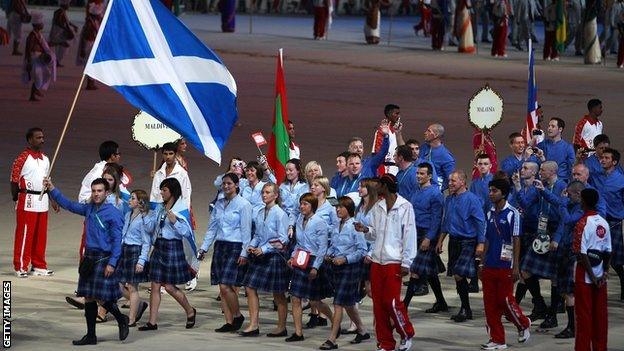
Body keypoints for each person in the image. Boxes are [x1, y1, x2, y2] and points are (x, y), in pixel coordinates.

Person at [45, 177, 129, 345]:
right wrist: (52, 188)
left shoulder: (114, 213)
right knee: (89, 297)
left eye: (99, 191)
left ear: (106, 193)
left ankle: (121, 318)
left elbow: (117, 240)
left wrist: (112, 263)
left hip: (104, 258)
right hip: (89, 257)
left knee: (100, 297)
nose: (96, 194)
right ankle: (91, 335)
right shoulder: (89, 208)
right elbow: (68, 204)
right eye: (94, 191)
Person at [355, 174, 416, 351]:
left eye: (379, 184)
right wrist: (365, 229)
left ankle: (406, 333)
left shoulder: (405, 207)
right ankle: (385, 343)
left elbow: (409, 236)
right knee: (378, 305)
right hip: (377, 261)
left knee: (391, 302)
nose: (376, 187)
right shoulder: (378, 207)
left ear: (385, 186)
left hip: (394, 262)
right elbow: (374, 233)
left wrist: (407, 262)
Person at [479, 178, 531, 350]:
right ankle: (497, 340)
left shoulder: (513, 213)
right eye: (490, 190)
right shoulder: (489, 212)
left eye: (494, 191)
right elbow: (486, 238)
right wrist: (482, 262)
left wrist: (515, 266)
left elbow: (516, 240)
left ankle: (523, 324)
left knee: (506, 301)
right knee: (490, 304)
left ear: (503, 193)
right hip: (489, 265)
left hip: (505, 265)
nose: (490, 194)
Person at [138, 178, 197, 331]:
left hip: (173, 248)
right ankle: (152, 322)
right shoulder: (159, 208)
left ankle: (190, 311)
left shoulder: (181, 208)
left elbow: (186, 232)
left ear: (172, 191)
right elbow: (152, 228)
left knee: (170, 287)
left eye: (164, 190)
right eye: (161, 190)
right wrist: (145, 214)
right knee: (155, 284)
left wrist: (175, 222)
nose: (161, 193)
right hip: (159, 247)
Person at [198, 173, 251, 333]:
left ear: (236, 185)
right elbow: (212, 228)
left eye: (229, 183)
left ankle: (237, 315)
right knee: (222, 288)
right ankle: (229, 321)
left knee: (226, 285)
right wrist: (204, 248)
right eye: (224, 184)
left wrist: (244, 253)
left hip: (235, 246)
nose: (226, 186)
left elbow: (246, 230)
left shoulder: (243, 204)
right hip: (220, 246)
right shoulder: (219, 204)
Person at [520, 161, 567, 329]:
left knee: (555, 277)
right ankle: (539, 305)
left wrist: (558, 238)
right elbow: (525, 204)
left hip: (555, 232)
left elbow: (564, 214)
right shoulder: (540, 186)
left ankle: (552, 316)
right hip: (541, 231)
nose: (540, 172)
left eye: (543, 170)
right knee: (525, 270)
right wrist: (519, 187)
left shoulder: (562, 186)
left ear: (552, 171)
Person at [240, 183, 290, 337]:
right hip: (260, 255)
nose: (264, 195)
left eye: (268, 192)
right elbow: (258, 235)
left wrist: (265, 248)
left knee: (278, 294)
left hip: (274, 257)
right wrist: (252, 246)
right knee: (249, 286)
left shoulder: (280, 214)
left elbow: (283, 240)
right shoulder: (260, 212)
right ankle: (254, 324)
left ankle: (281, 327)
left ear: (276, 195)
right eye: (263, 192)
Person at [319, 196, 368, 350]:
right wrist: (329, 253)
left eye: (341, 207)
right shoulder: (335, 226)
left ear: (349, 209)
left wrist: (345, 259)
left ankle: (332, 339)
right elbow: (333, 245)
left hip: (351, 268)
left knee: (338, 302)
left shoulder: (355, 226)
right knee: (347, 303)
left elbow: (362, 251)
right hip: (336, 267)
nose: (338, 209)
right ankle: (362, 330)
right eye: (337, 207)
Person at [436, 170, 486, 323]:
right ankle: (466, 308)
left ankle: (465, 308)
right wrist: (440, 240)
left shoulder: (472, 199)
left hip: (468, 241)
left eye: (453, 181)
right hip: (454, 241)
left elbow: (480, 222)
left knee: (459, 274)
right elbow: (446, 222)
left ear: (463, 182)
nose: (450, 183)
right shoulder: (449, 199)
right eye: (449, 180)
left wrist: (481, 243)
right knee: (458, 277)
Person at [286, 193, 333, 342]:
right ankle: (298, 333)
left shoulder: (319, 222)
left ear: (312, 206)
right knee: (295, 297)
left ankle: (334, 321)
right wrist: (293, 256)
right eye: (301, 203)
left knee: (315, 301)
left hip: (314, 261)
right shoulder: (299, 220)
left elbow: (322, 248)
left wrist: (316, 267)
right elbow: (298, 243)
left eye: (305, 204)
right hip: (301, 259)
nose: (302, 206)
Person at [11, 127, 56, 277]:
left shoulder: (46, 159)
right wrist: (15, 198)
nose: (42, 140)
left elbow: (47, 181)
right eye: (38, 137)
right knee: (25, 234)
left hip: (42, 200)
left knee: (40, 234)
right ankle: (21, 266)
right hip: (27, 199)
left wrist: (52, 198)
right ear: (30, 139)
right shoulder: (22, 158)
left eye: (42, 137)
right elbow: (14, 179)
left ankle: (39, 265)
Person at [572, 188, 611, 351]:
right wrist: (605, 273)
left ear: (584, 202)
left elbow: (581, 253)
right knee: (600, 316)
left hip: (585, 277)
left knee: (584, 317)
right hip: (601, 275)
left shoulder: (582, 223)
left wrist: (591, 276)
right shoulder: (604, 222)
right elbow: (608, 250)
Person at [405, 163, 447, 311]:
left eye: (422, 174)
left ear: (429, 176)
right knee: (430, 273)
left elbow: (437, 218)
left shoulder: (436, 194)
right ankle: (441, 302)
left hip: (427, 234)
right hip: (415, 232)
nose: (418, 176)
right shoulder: (415, 191)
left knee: (415, 270)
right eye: (418, 173)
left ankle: (404, 305)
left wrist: (429, 238)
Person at [550, 180, 585, 339]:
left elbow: (568, 220)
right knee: (564, 290)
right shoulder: (571, 204)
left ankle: (573, 327)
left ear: (578, 194)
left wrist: (563, 203)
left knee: (570, 292)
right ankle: (572, 325)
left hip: (573, 252)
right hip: (565, 250)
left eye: (569, 195)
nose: (567, 197)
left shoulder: (580, 209)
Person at [117, 190, 152, 327]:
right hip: (124, 250)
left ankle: (131, 319)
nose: (129, 200)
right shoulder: (127, 214)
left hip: (135, 251)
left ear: (140, 202)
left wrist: (142, 260)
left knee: (132, 287)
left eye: (132, 198)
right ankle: (139, 305)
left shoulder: (144, 218)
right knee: (117, 284)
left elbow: (146, 241)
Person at [593, 147, 624, 300]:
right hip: (599, 223)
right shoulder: (596, 177)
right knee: (597, 256)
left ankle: (623, 282)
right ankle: (598, 288)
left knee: (617, 260)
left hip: (614, 222)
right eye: (602, 157)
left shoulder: (621, 180)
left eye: (606, 158)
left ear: (614, 162)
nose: (602, 160)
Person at [22, 13, 56, 102]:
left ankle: (35, 92)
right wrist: (28, 61)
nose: (43, 25)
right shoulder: (32, 35)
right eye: (42, 23)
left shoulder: (38, 34)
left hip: (39, 58)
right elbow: (28, 48)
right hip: (34, 58)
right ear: (38, 25)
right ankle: (34, 93)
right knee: (38, 76)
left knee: (47, 74)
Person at [150, 142, 191, 209]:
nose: (168, 157)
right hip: (159, 211)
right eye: (165, 154)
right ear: (162, 155)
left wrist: (183, 215)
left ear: (175, 154)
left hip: (175, 212)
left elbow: (186, 196)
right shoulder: (158, 174)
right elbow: (154, 195)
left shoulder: (182, 173)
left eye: (171, 154)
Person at [536, 117, 575, 183]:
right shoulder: (542, 145)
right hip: (544, 181)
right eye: (549, 126)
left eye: (553, 126)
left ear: (560, 129)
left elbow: (571, 167)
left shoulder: (568, 147)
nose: (549, 128)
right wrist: (534, 138)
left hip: (561, 182)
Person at [77, 0, 104, 90]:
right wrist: (83, 49)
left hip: (91, 44)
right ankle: (90, 83)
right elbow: (86, 37)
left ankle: (91, 82)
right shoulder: (90, 23)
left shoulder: (94, 21)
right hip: (89, 44)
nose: (101, 16)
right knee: (90, 63)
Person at [420, 123, 456, 191]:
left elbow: (451, 180)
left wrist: (438, 189)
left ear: (436, 135)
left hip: (433, 194)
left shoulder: (446, 156)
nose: (425, 133)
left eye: (429, 131)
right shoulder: (424, 147)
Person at [372, 104, 401, 175]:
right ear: (388, 114)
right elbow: (377, 153)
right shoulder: (381, 131)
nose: (398, 116)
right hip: (385, 168)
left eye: (399, 114)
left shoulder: (397, 131)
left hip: (397, 167)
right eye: (396, 113)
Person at [279, 159, 308, 228]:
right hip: (283, 220)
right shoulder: (282, 186)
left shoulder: (304, 186)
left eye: (290, 170)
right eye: (286, 170)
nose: (288, 172)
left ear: (298, 170)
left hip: (299, 221)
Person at [48, 0, 78, 67]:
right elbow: (58, 22)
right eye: (68, 4)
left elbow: (66, 21)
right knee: (63, 45)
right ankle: (55, 61)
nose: (69, 6)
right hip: (57, 32)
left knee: (60, 46)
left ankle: (56, 61)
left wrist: (72, 26)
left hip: (59, 32)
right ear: (64, 5)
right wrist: (67, 29)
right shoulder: (60, 12)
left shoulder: (61, 11)